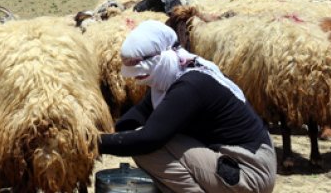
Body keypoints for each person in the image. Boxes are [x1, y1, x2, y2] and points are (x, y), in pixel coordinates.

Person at [99, 21, 276, 193]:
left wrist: (94, 142)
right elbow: (139, 114)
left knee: (147, 149)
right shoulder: (173, 77)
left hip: (250, 170)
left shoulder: (191, 86)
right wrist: (110, 132)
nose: (137, 77)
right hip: (242, 160)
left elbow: (149, 139)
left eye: (141, 68)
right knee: (142, 136)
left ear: (161, 57)